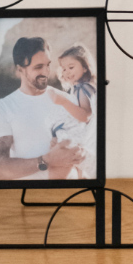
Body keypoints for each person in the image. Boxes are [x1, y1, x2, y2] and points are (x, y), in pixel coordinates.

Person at [0, 36, 85, 181]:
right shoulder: (4, 108)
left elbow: (83, 148)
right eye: (38, 67)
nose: (46, 72)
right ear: (19, 69)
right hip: (29, 189)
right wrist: (47, 160)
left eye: (48, 65)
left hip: (70, 188)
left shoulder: (67, 101)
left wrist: (81, 155)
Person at [48, 45, 98, 179]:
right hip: (82, 140)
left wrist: (63, 102)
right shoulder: (80, 88)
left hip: (80, 141)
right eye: (64, 69)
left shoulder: (82, 88)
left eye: (71, 67)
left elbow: (85, 115)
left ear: (85, 67)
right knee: (79, 171)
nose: (67, 72)